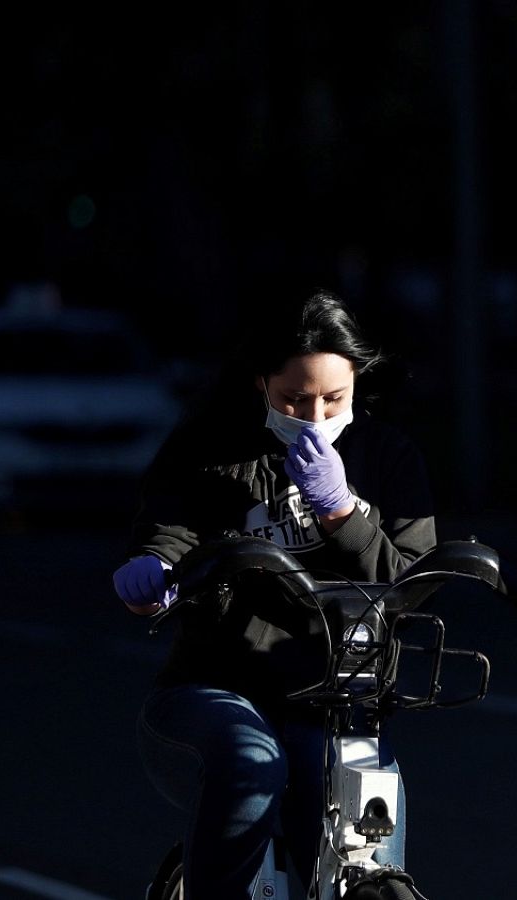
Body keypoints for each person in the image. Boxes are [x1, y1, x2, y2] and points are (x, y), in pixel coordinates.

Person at [112, 287, 436, 899]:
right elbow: (170, 535)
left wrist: (343, 511)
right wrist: (152, 572)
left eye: (333, 399)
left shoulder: (388, 456)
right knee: (250, 761)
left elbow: (409, 582)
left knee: (359, 807)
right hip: (213, 689)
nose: (313, 418)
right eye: (295, 399)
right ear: (261, 382)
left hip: (338, 696)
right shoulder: (208, 450)